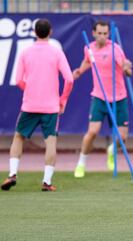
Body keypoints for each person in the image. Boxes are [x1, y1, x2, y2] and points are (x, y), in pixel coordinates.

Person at [1, 19, 74, 192]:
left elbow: (19, 80)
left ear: (34, 32)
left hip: (30, 105)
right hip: (51, 106)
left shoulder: (26, 52)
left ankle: (12, 174)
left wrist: (30, 90)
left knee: (18, 137)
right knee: (50, 141)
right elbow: (69, 79)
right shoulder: (56, 52)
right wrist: (62, 100)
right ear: (51, 32)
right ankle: (47, 182)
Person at [72, 20, 133, 178]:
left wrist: (127, 68)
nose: (102, 37)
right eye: (99, 33)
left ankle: (111, 151)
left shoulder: (115, 48)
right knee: (92, 132)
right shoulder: (89, 47)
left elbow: (124, 64)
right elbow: (88, 61)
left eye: (105, 34)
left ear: (109, 34)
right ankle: (81, 164)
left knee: (123, 137)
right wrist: (80, 71)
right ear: (94, 33)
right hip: (99, 97)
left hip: (119, 97)